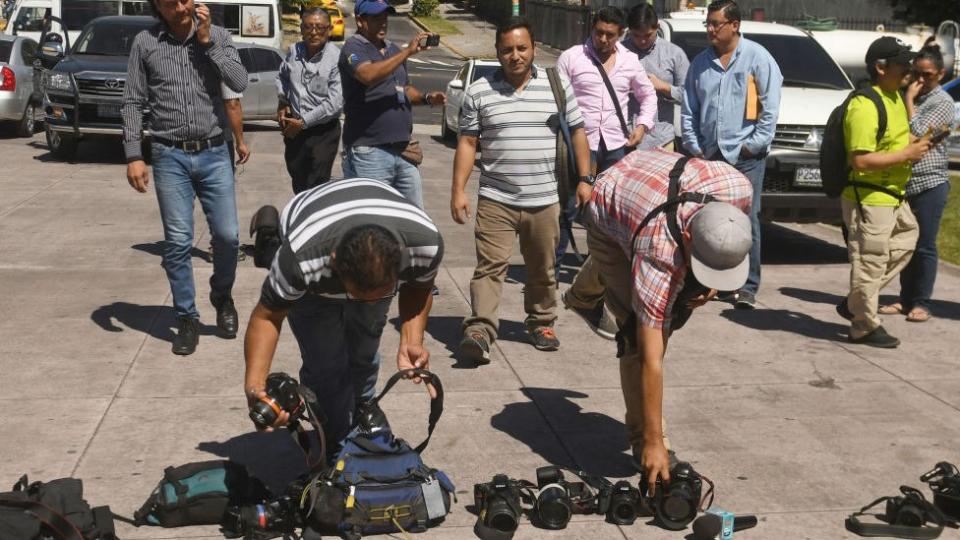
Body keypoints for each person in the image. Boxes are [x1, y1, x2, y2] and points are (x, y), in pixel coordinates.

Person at [583, 148, 752, 494]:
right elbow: (651, 359)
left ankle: (588, 288)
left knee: (663, 298)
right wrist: (654, 441)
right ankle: (638, 441)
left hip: (648, 181)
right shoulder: (658, 254)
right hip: (608, 208)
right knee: (633, 332)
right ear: (686, 240)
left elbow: (724, 239)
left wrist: (710, 283)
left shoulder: (739, 189)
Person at [243, 178, 442, 454]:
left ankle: (362, 414)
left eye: (379, 294)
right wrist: (254, 387)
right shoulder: (301, 259)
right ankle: (337, 445)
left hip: (369, 248)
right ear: (335, 260)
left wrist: (412, 338)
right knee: (326, 364)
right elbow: (266, 317)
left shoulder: (425, 245)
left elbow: (419, 288)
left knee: (364, 350)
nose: (361, 302)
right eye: (357, 294)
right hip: (313, 265)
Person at [451, 17, 591, 363]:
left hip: (545, 200)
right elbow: (468, 142)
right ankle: (480, 329)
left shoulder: (557, 85)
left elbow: (578, 131)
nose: (515, 55)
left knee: (542, 268)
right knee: (489, 267)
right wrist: (458, 190)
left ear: (532, 48)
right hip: (496, 199)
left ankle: (541, 322)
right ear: (497, 53)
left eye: (521, 48)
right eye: (507, 50)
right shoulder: (479, 92)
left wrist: (586, 179)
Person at [122, 0, 247, 356]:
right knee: (177, 242)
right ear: (158, 8)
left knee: (228, 237)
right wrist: (134, 155)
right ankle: (187, 316)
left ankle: (222, 295)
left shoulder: (218, 35)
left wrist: (207, 42)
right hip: (169, 154)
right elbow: (132, 101)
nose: (182, 6)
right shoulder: (146, 43)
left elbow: (239, 82)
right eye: (171, 2)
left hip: (214, 152)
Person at [556, 6, 656, 339]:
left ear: (621, 34)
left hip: (615, 144)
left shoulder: (630, 61)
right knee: (568, 207)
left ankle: (598, 271)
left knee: (609, 214)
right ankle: (551, 271)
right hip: (578, 143)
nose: (602, 39)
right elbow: (556, 100)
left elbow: (648, 96)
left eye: (610, 35)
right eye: (598, 32)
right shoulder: (572, 58)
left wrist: (642, 126)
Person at [680, 0, 782, 309]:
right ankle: (707, 282)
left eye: (716, 23)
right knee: (706, 219)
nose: (710, 29)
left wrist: (753, 145)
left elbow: (770, 109)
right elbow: (689, 110)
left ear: (734, 25)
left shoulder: (757, 59)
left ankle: (747, 286)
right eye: (708, 24)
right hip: (710, 156)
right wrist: (696, 147)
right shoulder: (700, 64)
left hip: (746, 157)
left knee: (745, 220)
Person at [835, 37, 932, 347]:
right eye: (902, 63)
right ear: (880, 67)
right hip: (870, 196)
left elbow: (891, 144)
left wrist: (915, 146)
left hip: (891, 194)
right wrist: (906, 155)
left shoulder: (894, 98)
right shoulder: (865, 105)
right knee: (871, 260)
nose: (909, 68)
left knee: (906, 239)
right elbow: (861, 160)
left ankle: (856, 301)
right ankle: (863, 325)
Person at [338, 0, 445, 208]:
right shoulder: (354, 46)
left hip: (403, 151)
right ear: (361, 21)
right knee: (373, 220)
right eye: (377, 18)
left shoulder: (393, 50)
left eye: (385, 18)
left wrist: (427, 97)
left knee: (413, 218)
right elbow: (367, 75)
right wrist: (407, 52)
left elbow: (404, 89)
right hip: (370, 151)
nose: (383, 23)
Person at [878, 46, 954, 323]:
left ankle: (921, 301)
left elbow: (921, 134)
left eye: (927, 75)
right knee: (903, 243)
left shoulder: (941, 102)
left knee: (924, 245)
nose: (920, 80)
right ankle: (905, 298)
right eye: (916, 74)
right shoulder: (908, 96)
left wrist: (909, 99)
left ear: (941, 74)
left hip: (930, 183)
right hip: (904, 181)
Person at [277, 7, 343, 194]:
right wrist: (283, 101)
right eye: (309, 27)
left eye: (320, 28)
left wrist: (303, 122)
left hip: (323, 132)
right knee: (298, 181)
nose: (314, 32)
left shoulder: (336, 59)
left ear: (329, 29)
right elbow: (281, 77)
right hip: (295, 132)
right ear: (302, 29)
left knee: (317, 185)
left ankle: (315, 219)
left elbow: (334, 104)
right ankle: (301, 219)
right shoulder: (293, 51)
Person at [623, 2, 690, 150]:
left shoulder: (674, 54)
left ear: (657, 27)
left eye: (647, 35)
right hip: (623, 138)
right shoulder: (619, 52)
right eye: (636, 35)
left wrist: (664, 87)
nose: (641, 41)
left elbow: (689, 95)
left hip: (660, 141)